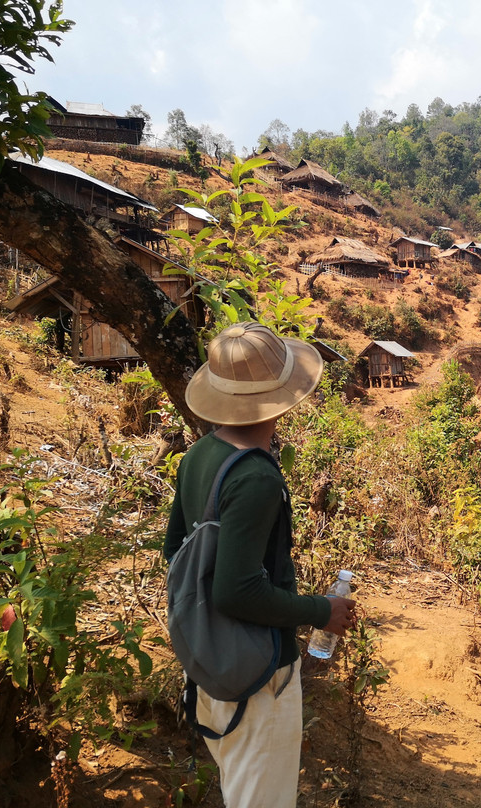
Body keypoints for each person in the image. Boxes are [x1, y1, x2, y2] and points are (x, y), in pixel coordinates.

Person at [164, 322, 356, 808]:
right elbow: (237, 590)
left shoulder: (198, 457)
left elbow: (175, 553)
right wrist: (321, 611)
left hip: (211, 663)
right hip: (257, 676)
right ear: (286, 396)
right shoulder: (256, 477)